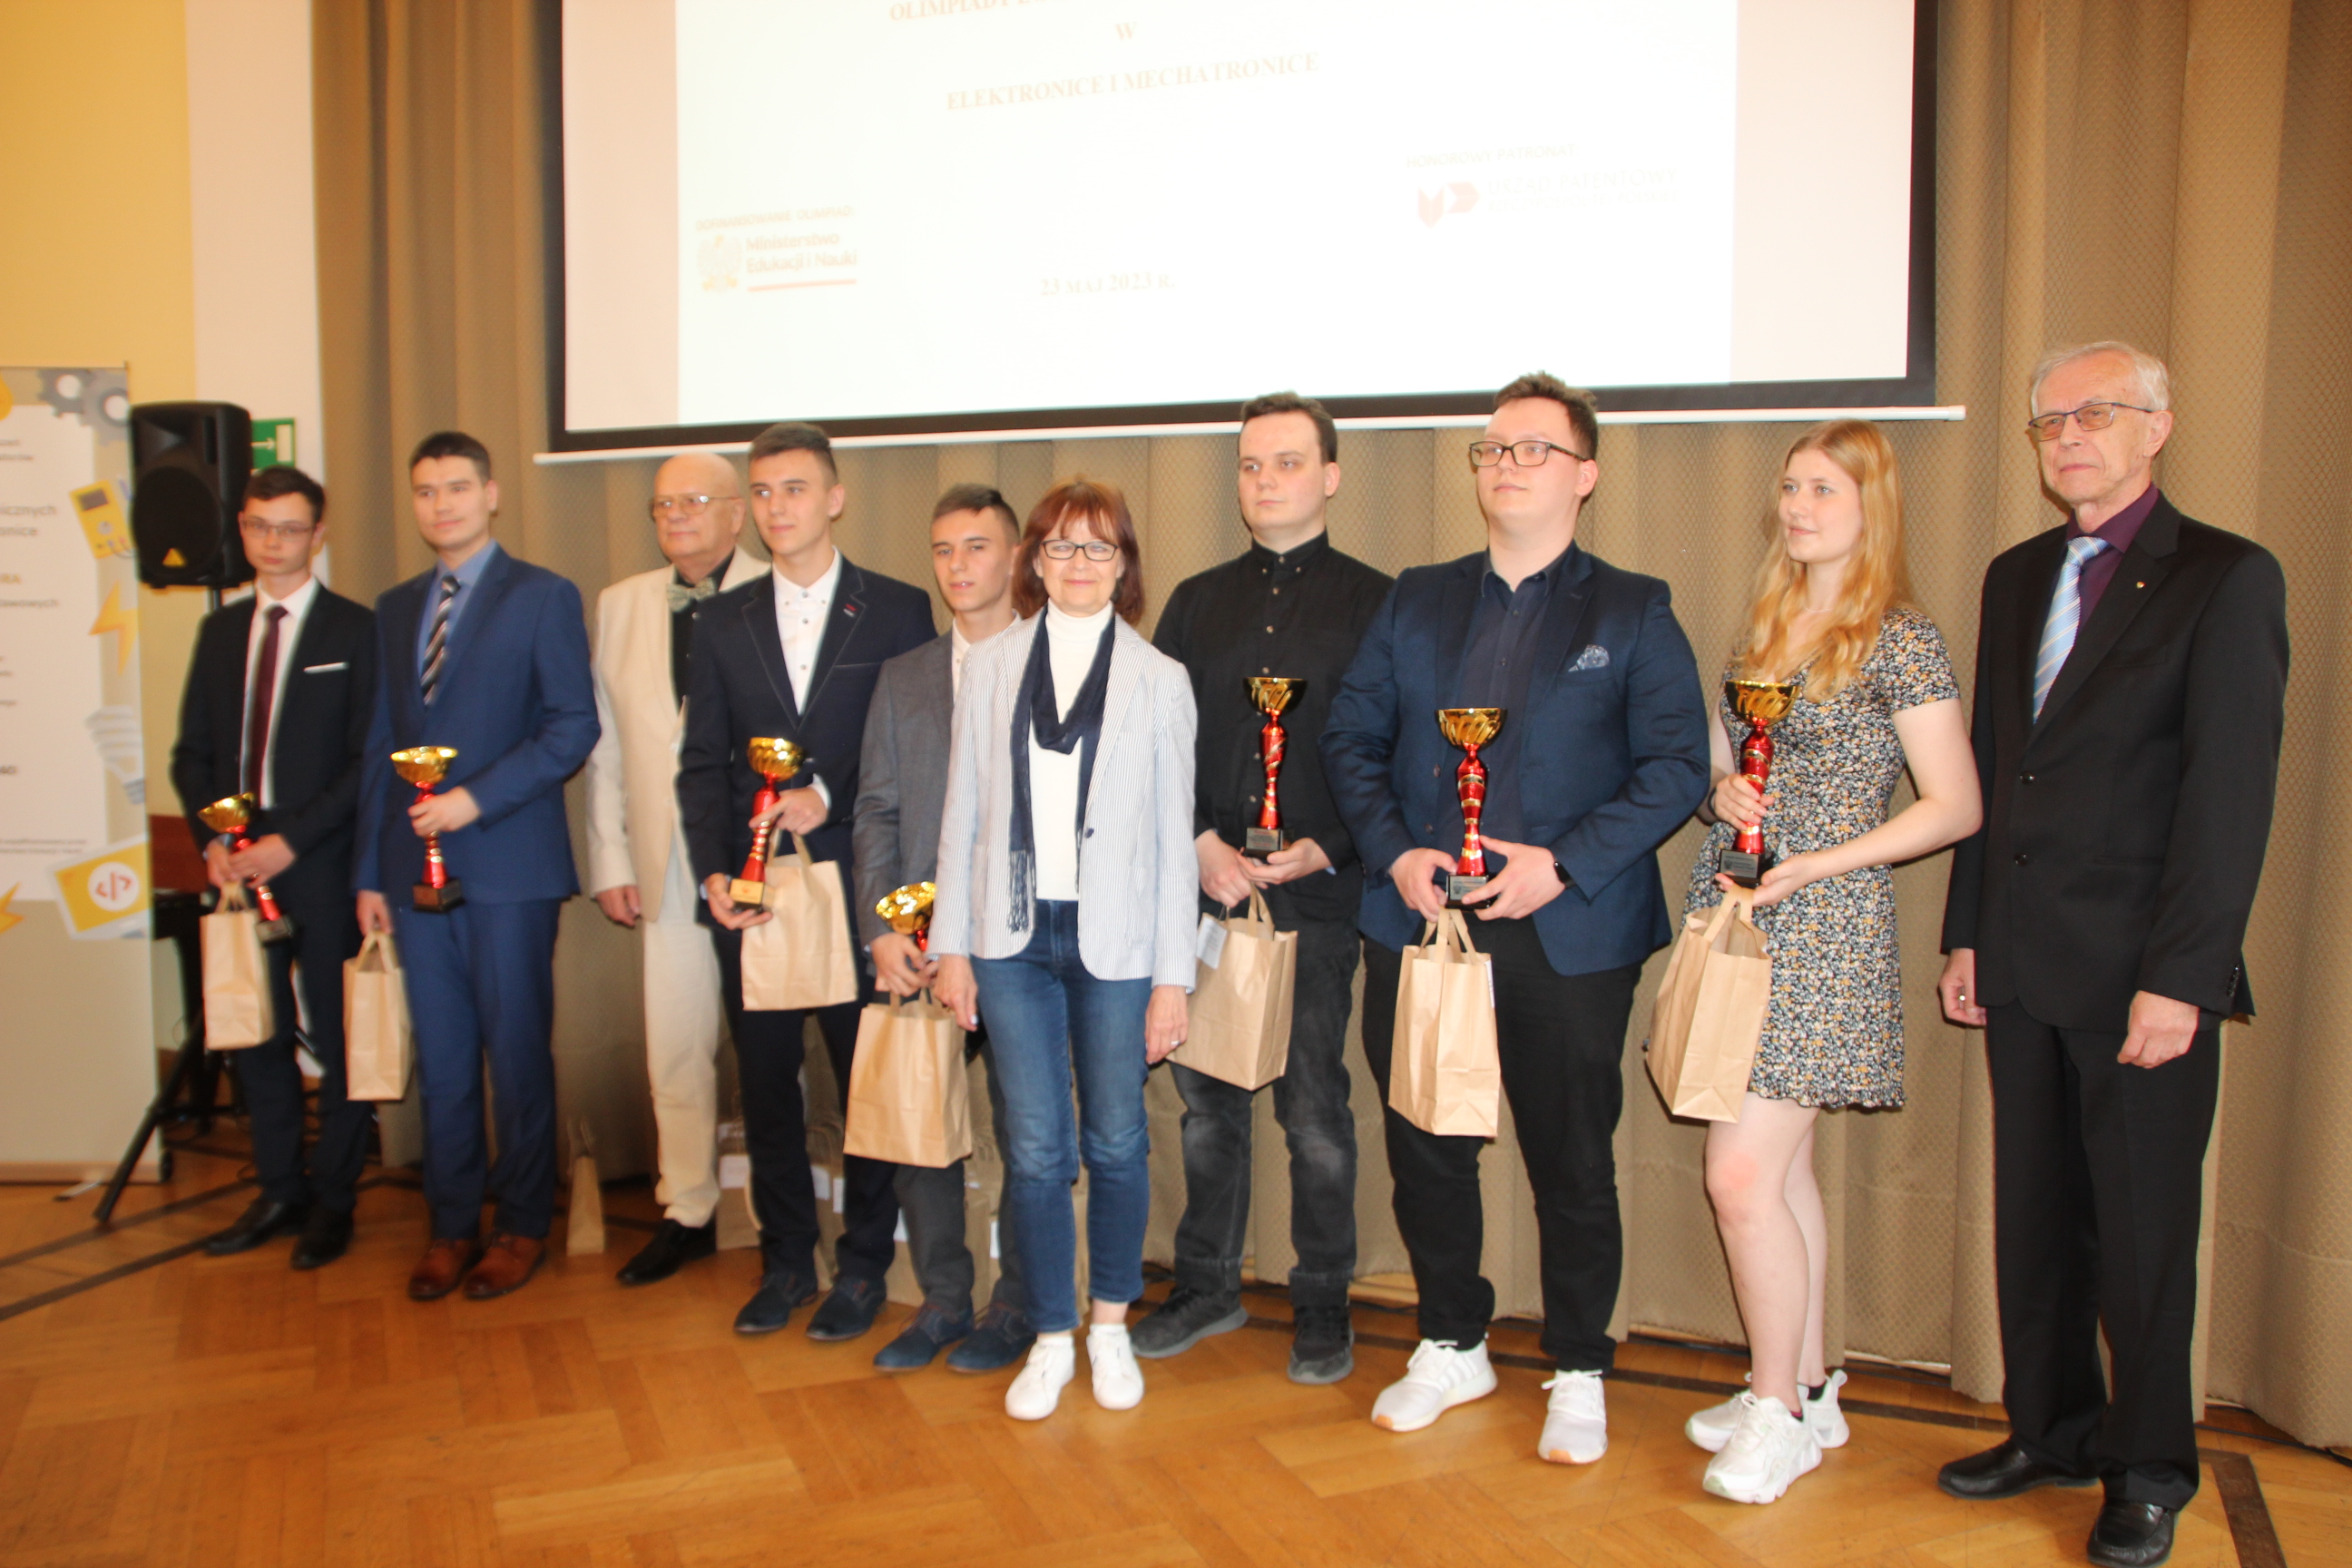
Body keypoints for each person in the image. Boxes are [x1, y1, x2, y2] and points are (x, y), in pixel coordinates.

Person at [1936, 343, 2287, 1568]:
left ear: (2158, 427)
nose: (2069, 436)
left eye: (2096, 413)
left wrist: (2183, 978)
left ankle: (2148, 1471)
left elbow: (2228, 800)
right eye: (2050, 422)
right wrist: (1967, 930)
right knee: (2035, 1223)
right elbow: (1994, 771)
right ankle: (2052, 1433)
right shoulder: (2017, 573)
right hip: (2020, 960)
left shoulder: (2225, 577)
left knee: (2141, 1241)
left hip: (2142, 975)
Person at [1322, 372, 1709, 1462]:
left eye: (1533, 449)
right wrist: (1395, 851)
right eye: (1492, 449)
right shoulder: (1416, 598)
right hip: (1423, 921)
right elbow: (1349, 738)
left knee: (1571, 1160)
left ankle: (1579, 1364)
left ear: (1586, 476)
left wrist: (1566, 864)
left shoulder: (1632, 607)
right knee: (1425, 1146)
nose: (1506, 465)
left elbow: (1678, 766)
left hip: (1565, 929)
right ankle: (1453, 1340)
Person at [1677, 421, 1980, 1504]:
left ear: (1870, 506)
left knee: (1740, 1176)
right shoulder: (1764, 624)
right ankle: (1806, 1388)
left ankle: (1776, 1411)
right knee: (1783, 1171)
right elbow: (1725, 762)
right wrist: (1720, 790)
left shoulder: (1900, 637)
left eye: (1824, 490)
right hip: (1736, 917)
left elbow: (1956, 804)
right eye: (1792, 487)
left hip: (1825, 923)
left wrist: (1820, 861)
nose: (1799, 507)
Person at [1132, 392, 1392, 1383]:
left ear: (1330, 476)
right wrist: (1199, 841)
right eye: (1250, 465)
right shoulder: (1195, 602)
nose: (1266, 480)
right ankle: (1207, 1284)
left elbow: (1396, 755)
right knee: (1206, 1106)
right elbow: (1154, 745)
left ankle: (1323, 1300)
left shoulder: (1378, 602)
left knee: (1315, 1110)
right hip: (1205, 894)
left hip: (1318, 898)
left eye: (1287, 462)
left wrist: (1332, 846)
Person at [930, 479, 1197, 1422]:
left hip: (1116, 946)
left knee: (1117, 1138)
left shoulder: (1160, 680)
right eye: (1061, 547)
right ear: (1033, 562)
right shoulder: (991, 666)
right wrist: (951, 948)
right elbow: (962, 814)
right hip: (1009, 941)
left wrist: (1174, 978)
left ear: (1123, 566)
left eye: (1099, 548)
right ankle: (1050, 1334)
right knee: (1036, 1147)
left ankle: (1110, 1323)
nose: (1079, 564)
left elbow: (1174, 844)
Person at [677, 421, 934, 1340]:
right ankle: (785, 1261)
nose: (776, 507)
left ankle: (862, 1267)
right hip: (755, 899)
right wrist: (714, 871)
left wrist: (827, 796)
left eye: (794, 489)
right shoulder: (720, 620)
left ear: (834, 498)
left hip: (860, 886)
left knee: (864, 1080)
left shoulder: (897, 609)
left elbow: (916, 751)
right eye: (762, 491)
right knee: (766, 1084)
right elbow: (702, 762)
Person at [355, 431, 601, 1302]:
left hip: (508, 869)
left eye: (457, 487)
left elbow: (573, 725)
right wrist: (368, 874)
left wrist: (474, 800)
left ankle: (522, 1224)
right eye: (426, 491)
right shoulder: (394, 608)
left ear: (491, 494)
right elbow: (379, 746)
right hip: (411, 876)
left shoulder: (543, 595)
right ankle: (450, 1226)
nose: (442, 505)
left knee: (517, 1056)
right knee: (446, 1060)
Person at [171, 466, 377, 1269]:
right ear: (243, 529)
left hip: (316, 860)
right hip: (235, 866)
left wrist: (291, 842)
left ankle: (334, 1200)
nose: (272, 542)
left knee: (335, 1030)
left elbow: (365, 763)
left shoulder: (355, 631)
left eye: (289, 528)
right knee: (251, 1031)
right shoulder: (221, 631)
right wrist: (213, 840)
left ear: (317, 536)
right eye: (259, 526)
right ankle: (279, 1189)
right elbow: (191, 753)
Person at [850, 484, 1034, 1373]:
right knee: (919, 1124)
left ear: (1016, 557)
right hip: (924, 943)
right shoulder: (905, 676)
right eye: (944, 550)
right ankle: (944, 1300)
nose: (958, 566)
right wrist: (882, 926)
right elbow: (875, 810)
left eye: (977, 547)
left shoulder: (1058, 665)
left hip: (1028, 944)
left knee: (1028, 1130)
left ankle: (1019, 1305)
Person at [583, 453, 763, 1287]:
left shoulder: (779, 590)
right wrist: (611, 857)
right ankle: (685, 1206)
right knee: (676, 1046)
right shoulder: (620, 603)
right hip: (662, 862)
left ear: (738, 513)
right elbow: (606, 747)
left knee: (772, 1049)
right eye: (663, 505)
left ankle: (786, 1211)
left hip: (758, 861)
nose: (677, 515)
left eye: (695, 500)